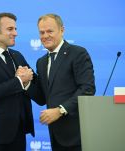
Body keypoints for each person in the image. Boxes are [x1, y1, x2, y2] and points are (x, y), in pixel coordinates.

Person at [0, 13, 44, 151]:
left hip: (20, 132)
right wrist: (19, 81)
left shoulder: (18, 56)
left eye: (16, 29)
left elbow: (38, 91)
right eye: (10, 29)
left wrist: (27, 83)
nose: (15, 33)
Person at [36, 14, 96, 151]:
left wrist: (60, 110)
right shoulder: (41, 62)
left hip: (77, 135)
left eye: (50, 31)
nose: (45, 36)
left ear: (62, 30)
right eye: (42, 32)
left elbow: (87, 89)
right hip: (55, 135)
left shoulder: (78, 53)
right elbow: (41, 97)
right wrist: (25, 82)